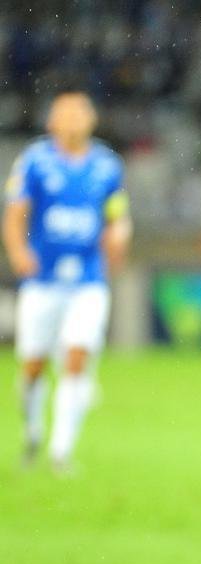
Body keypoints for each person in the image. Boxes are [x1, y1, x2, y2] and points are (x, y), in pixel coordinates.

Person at [3, 91, 131, 472]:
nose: (75, 119)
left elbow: (117, 215)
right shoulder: (35, 162)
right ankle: (32, 432)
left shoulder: (107, 166)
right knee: (33, 365)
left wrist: (120, 236)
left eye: (81, 112)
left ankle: (61, 451)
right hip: (42, 279)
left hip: (89, 279)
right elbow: (15, 213)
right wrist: (16, 252)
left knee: (77, 358)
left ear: (91, 120)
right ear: (52, 122)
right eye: (67, 113)